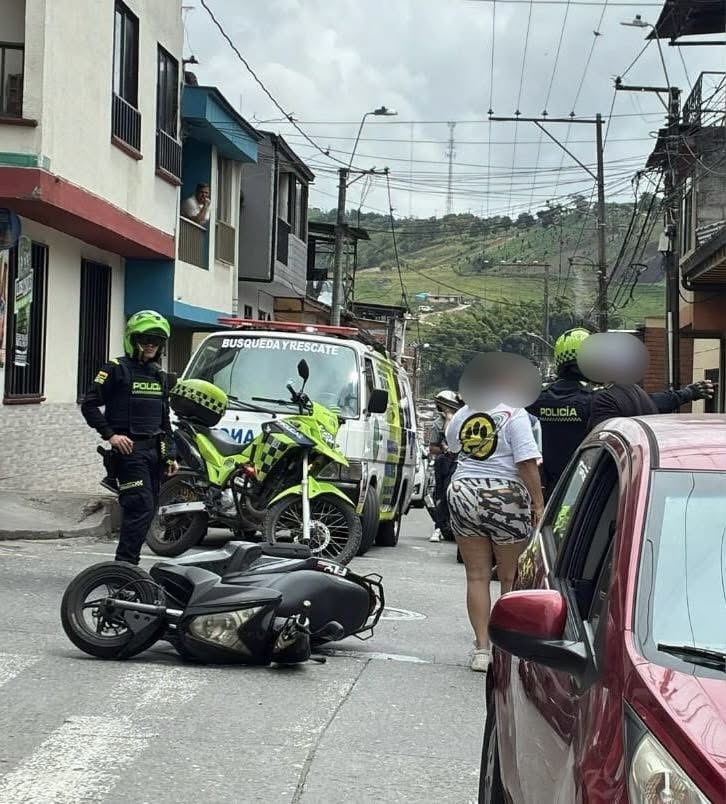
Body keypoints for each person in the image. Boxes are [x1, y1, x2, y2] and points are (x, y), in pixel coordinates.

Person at [529, 327, 714, 500]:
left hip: (555, 493)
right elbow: (652, 402)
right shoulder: (601, 397)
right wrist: (687, 393)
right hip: (593, 492)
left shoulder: (538, 398)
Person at [446, 390, 544, 673]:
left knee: (476, 575)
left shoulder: (464, 413)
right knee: (509, 577)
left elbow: (453, 447)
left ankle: (481, 649)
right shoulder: (515, 412)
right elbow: (525, 461)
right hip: (505, 494)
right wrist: (538, 503)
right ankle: (505, 649)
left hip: (463, 490)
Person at [81, 310, 178, 565]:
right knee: (139, 506)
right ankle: (124, 568)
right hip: (129, 453)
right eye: (146, 339)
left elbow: (164, 419)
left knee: (148, 511)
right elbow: (89, 405)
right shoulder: (115, 369)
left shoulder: (159, 374)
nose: (150, 345)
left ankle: (125, 567)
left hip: (153, 453)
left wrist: (170, 454)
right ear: (133, 340)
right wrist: (111, 435)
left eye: (156, 341)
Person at [428, 390, 462, 542]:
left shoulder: (462, 420)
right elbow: (432, 448)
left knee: (451, 493)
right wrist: (443, 449)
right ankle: (438, 527)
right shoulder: (437, 424)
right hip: (443, 463)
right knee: (440, 495)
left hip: (459, 463)